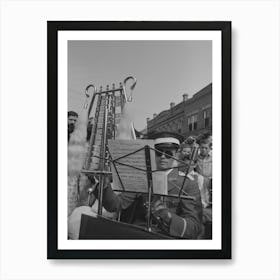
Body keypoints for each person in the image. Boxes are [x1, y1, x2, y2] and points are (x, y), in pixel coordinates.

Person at [94, 131, 203, 239]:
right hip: (137, 235)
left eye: (168, 153)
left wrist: (169, 217)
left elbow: (194, 227)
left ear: (177, 154)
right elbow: (115, 206)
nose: (163, 157)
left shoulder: (188, 183)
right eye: (158, 152)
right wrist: (104, 184)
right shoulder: (142, 176)